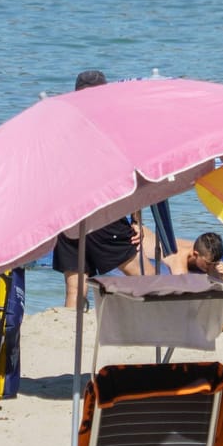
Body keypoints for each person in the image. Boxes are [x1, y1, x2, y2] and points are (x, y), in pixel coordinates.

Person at [53, 70, 145, 307]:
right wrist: (137, 220)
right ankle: (164, 320)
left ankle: (69, 332)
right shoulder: (111, 128)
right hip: (102, 213)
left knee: (75, 287)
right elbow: (131, 176)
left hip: (68, 216)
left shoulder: (61, 130)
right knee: (145, 276)